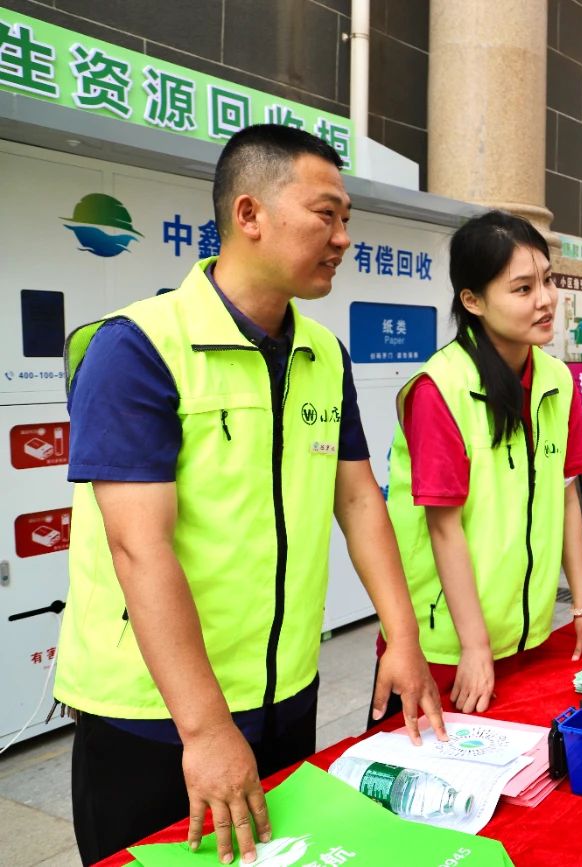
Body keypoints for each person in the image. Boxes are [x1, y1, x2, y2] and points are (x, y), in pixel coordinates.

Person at [57, 125, 446, 867]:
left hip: (284, 696)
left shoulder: (323, 350)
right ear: (248, 214)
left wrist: (403, 635)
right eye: (325, 214)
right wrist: (204, 730)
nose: (342, 238)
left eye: (347, 220)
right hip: (154, 717)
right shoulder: (139, 347)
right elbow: (140, 544)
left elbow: (359, 498)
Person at [378, 210, 582, 718]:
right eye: (523, 288)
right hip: (446, 648)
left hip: (530, 636)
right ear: (473, 301)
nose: (546, 299)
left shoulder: (557, 379)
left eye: (547, 280)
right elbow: (444, 529)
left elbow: (565, 494)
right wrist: (474, 645)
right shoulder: (438, 389)